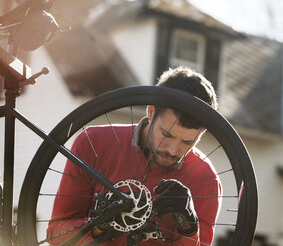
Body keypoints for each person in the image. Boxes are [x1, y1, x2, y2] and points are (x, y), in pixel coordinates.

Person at [47, 66, 222, 246]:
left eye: (187, 142)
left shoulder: (206, 179)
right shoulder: (93, 143)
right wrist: (101, 224)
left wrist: (189, 228)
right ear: (151, 111)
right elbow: (55, 233)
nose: (172, 150)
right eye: (167, 135)